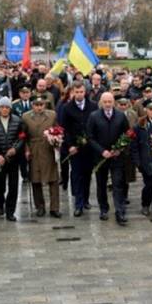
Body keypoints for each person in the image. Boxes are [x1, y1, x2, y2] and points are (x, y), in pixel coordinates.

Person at [87, 92, 130, 226]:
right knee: (101, 184)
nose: (107, 104)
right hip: (101, 157)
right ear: (101, 102)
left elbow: (127, 134)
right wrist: (102, 151)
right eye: (105, 102)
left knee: (118, 184)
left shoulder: (120, 116)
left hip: (116, 157)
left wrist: (120, 149)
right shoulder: (94, 116)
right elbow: (90, 137)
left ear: (113, 102)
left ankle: (120, 211)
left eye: (109, 101)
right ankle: (103, 209)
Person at [59, 81, 96, 217]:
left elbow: (94, 125)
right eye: (77, 92)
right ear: (73, 92)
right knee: (76, 174)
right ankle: (78, 203)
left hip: (89, 147)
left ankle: (85, 199)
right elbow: (64, 128)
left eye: (81, 92)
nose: (79, 94)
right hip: (74, 147)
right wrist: (70, 145)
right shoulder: (67, 108)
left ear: (85, 92)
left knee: (87, 174)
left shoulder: (93, 106)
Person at [0, 97, 25, 221]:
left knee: (13, 186)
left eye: (7, 107)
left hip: (13, 159)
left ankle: (10, 211)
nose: (4, 110)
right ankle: (0, 203)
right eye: (2, 107)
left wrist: (15, 149)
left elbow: (22, 137)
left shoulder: (17, 121)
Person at [23, 97, 61, 218]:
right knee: (35, 179)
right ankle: (40, 206)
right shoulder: (25, 117)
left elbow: (58, 130)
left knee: (53, 179)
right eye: (36, 105)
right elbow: (23, 136)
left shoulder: (52, 115)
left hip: (48, 149)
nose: (39, 107)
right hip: (34, 149)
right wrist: (26, 149)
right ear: (32, 105)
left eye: (41, 104)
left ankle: (54, 207)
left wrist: (56, 140)